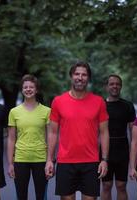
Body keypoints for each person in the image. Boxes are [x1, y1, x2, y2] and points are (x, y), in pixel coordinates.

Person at [45, 61, 109, 200]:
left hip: (91, 161)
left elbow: (104, 132)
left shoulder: (99, 102)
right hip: (65, 161)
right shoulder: (58, 101)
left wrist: (104, 159)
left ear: (88, 78)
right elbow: (53, 132)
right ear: (71, 76)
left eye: (84, 75)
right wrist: (50, 160)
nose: (80, 77)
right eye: (77, 74)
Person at [7, 74, 51, 200]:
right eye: (25, 87)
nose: (28, 89)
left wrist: (50, 160)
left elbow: (51, 137)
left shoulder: (47, 111)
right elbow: (11, 139)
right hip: (20, 159)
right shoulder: (14, 112)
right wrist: (10, 163)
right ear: (22, 90)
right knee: (21, 196)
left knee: (41, 196)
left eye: (31, 87)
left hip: (41, 159)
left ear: (36, 90)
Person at [101, 74, 136, 200]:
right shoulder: (101, 105)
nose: (115, 86)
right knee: (106, 185)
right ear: (106, 87)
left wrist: (134, 155)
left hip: (122, 150)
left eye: (117, 84)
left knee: (121, 185)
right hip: (105, 150)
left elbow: (134, 134)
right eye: (111, 84)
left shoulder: (128, 106)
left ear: (121, 86)